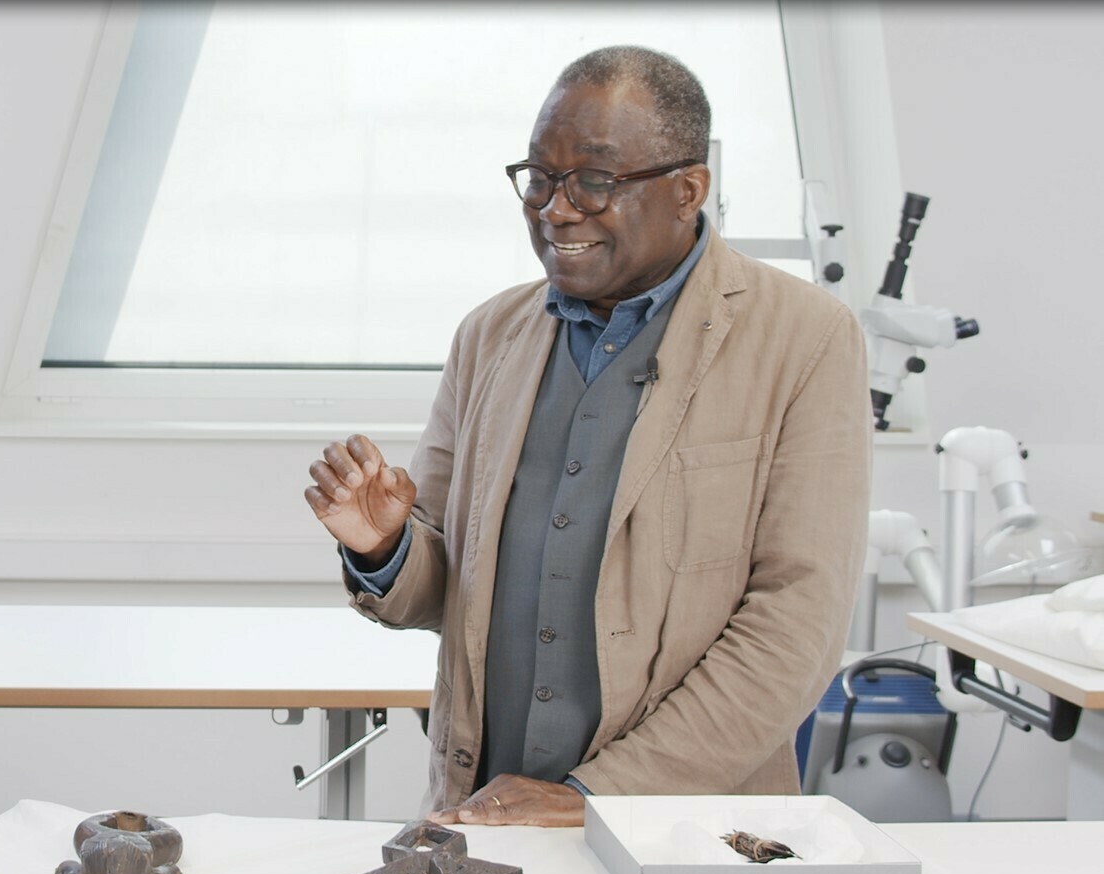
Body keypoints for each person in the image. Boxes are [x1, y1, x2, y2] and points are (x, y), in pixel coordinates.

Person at [304, 47, 869, 827]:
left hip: (686, 827)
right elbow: (446, 596)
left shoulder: (805, 338)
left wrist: (595, 799)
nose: (555, 209)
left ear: (688, 190)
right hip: (486, 817)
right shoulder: (489, 335)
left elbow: (793, 627)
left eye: (593, 182)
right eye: (538, 178)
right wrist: (387, 547)